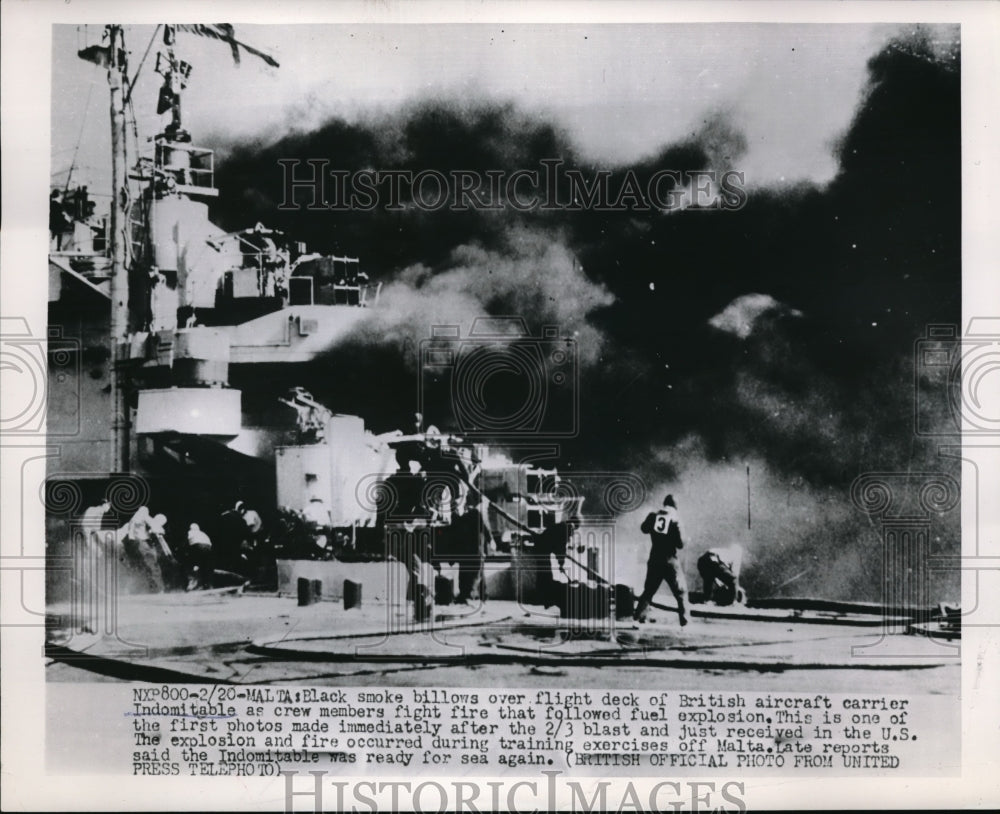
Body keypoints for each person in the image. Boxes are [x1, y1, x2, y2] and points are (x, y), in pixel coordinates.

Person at [634, 494, 688, 626]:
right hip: (670, 560)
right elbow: (680, 544)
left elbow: (643, 528)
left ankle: (638, 618)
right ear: (676, 506)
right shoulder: (676, 518)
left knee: (649, 590)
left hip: (655, 559)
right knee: (681, 592)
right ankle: (685, 622)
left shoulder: (654, 516)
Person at [186, 523, 213, 590]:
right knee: (205, 566)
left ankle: (192, 583)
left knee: (193, 565)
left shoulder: (190, 532)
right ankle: (207, 585)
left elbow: (188, 544)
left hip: (197, 547)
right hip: (208, 548)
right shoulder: (203, 534)